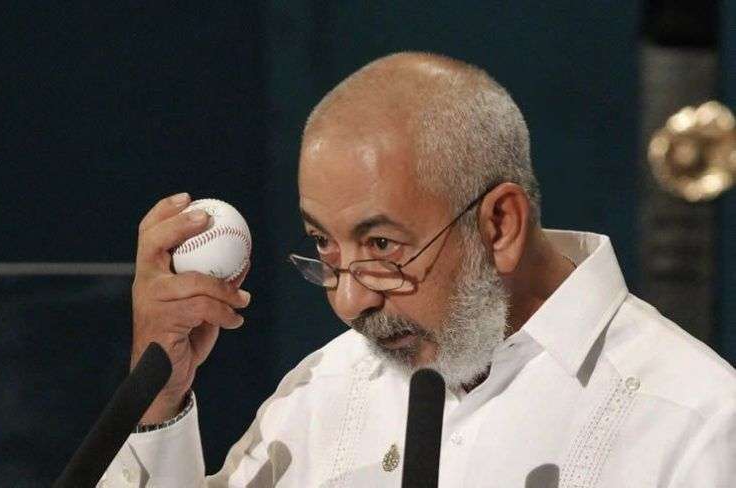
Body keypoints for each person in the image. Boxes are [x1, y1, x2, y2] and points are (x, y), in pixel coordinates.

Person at [101, 52, 736, 487]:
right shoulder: (323, 389)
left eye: (380, 246)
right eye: (323, 244)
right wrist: (159, 399)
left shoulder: (697, 422)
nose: (350, 303)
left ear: (499, 225)